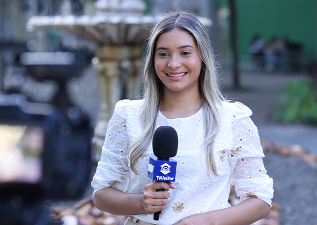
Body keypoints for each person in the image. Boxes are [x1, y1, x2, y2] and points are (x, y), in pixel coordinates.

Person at [91, 11, 274, 225]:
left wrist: (198, 222)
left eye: (185, 53)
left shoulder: (233, 119)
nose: (173, 64)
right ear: (152, 60)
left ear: (202, 59)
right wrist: (141, 202)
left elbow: (260, 199)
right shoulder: (128, 115)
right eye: (163, 53)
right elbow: (102, 194)